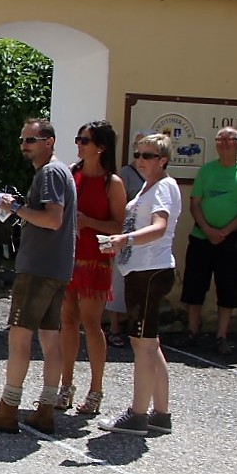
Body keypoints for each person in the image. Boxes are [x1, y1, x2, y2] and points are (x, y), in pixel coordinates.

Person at [0, 118, 76, 435]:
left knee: (19, 336)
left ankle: (8, 408)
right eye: (22, 140)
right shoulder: (59, 172)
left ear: (49, 141)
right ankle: (45, 409)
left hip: (39, 268)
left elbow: (53, 219)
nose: (24, 145)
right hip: (55, 267)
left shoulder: (51, 173)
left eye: (31, 139)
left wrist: (14, 207)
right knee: (49, 337)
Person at [96, 133, 181, 435]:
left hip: (149, 271)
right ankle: (160, 413)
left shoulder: (162, 189)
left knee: (142, 345)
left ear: (163, 160)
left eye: (148, 156)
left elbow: (159, 227)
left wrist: (124, 239)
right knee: (150, 343)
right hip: (143, 270)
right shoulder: (150, 187)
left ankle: (137, 414)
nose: (140, 160)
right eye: (138, 154)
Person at [57, 121, 126, 416]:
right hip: (68, 258)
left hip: (95, 260)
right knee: (67, 322)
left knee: (92, 324)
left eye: (85, 140)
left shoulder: (113, 183)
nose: (79, 145)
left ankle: (96, 390)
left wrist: (89, 222)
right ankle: (65, 386)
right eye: (78, 139)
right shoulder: (72, 174)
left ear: (101, 146)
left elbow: (119, 225)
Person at [179, 126, 237, 355]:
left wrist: (224, 231)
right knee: (195, 286)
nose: (224, 143)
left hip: (231, 240)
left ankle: (221, 336)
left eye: (229, 139)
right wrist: (207, 229)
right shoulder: (206, 171)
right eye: (220, 139)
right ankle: (192, 332)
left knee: (228, 289)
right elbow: (195, 203)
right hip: (201, 238)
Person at [106, 132, 147, 348]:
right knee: (118, 282)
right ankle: (114, 328)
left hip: (146, 239)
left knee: (139, 285)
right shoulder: (125, 174)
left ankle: (136, 328)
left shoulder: (160, 178)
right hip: (126, 234)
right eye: (139, 151)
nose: (143, 157)